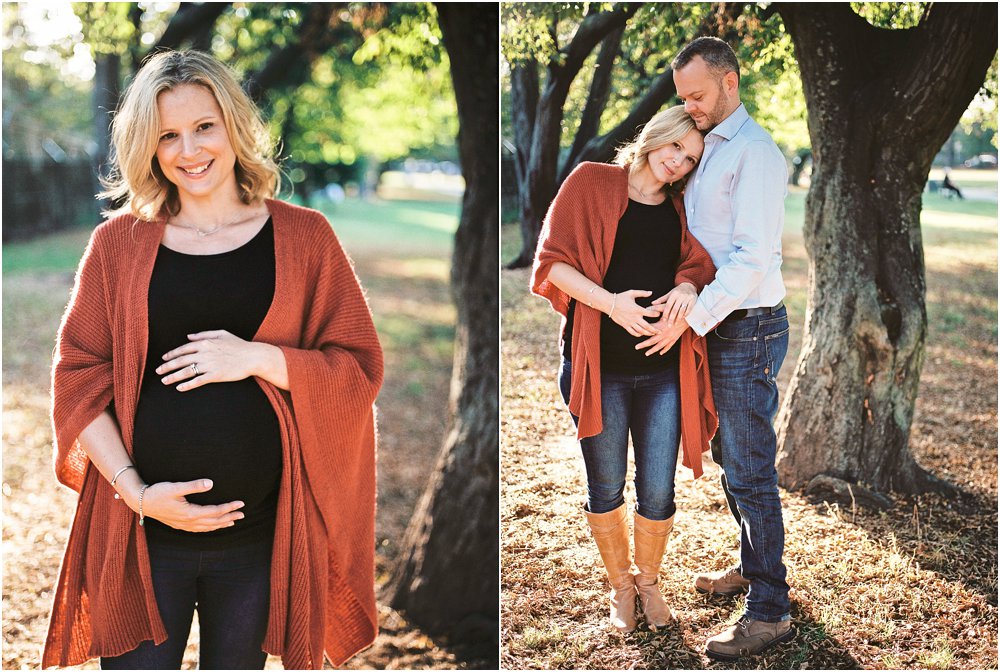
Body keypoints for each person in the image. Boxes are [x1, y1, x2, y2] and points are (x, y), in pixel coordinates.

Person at [44, 50, 383, 670]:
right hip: (143, 539)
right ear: (148, 147)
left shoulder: (307, 237)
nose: (189, 150)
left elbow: (358, 371)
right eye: (168, 135)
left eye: (205, 126)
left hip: (259, 541)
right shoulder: (117, 244)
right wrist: (138, 494)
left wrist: (256, 357)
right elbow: (78, 380)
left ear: (234, 125)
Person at [531, 106, 718, 634]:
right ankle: (620, 588)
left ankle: (651, 583)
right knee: (606, 484)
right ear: (654, 136)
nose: (678, 163)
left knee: (658, 488)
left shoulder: (680, 207)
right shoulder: (591, 181)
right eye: (675, 148)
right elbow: (552, 264)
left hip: (662, 372)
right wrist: (612, 304)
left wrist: (686, 286)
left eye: (690, 159)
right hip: (600, 367)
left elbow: (699, 263)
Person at [671, 37, 794, 660]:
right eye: (683, 97)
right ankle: (752, 565)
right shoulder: (710, 149)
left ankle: (770, 607)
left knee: (749, 465)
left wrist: (692, 318)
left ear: (730, 82)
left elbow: (751, 259)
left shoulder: (756, 153)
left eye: (697, 94)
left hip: (746, 324)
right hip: (719, 323)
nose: (689, 107)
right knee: (730, 455)